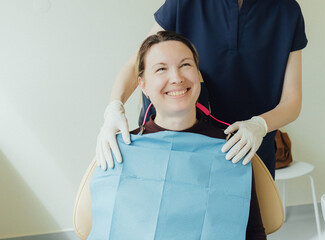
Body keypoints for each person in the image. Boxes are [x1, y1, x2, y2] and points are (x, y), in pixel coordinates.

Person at [96, 0, 307, 178]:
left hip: (248, 148)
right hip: (185, 148)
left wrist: (260, 125)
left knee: (248, 222)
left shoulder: (286, 11)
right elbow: (137, 65)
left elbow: (292, 100)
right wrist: (114, 107)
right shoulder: (186, 3)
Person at [132, 30, 266, 239]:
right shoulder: (124, 147)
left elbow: (252, 232)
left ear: (198, 75)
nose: (176, 78)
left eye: (185, 65)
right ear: (143, 85)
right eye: (161, 69)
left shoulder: (230, 147)